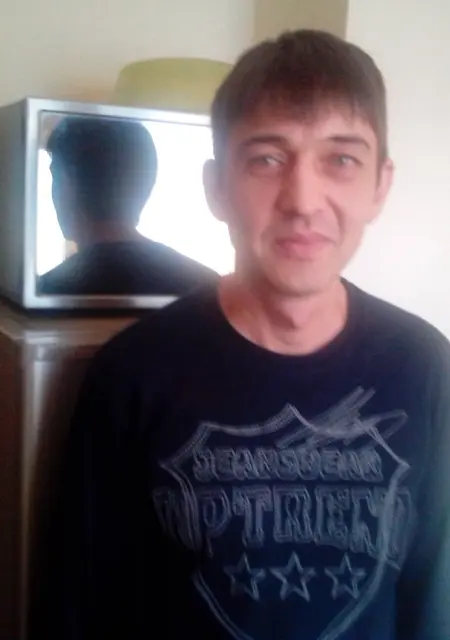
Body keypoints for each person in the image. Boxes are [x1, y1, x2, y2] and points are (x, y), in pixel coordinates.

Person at [47, 30, 450, 639]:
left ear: (379, 186)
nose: (303, 201)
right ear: (216, 188)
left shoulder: (425, 364)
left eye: (341, 159)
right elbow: (81, 609)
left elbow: (433, 597)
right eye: (266, 158)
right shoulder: (131, 374)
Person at [37, 117, 218, 295]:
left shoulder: (45, 293)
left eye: (56, 176)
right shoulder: (209, 288)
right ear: (146, 183)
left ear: (68, 185)